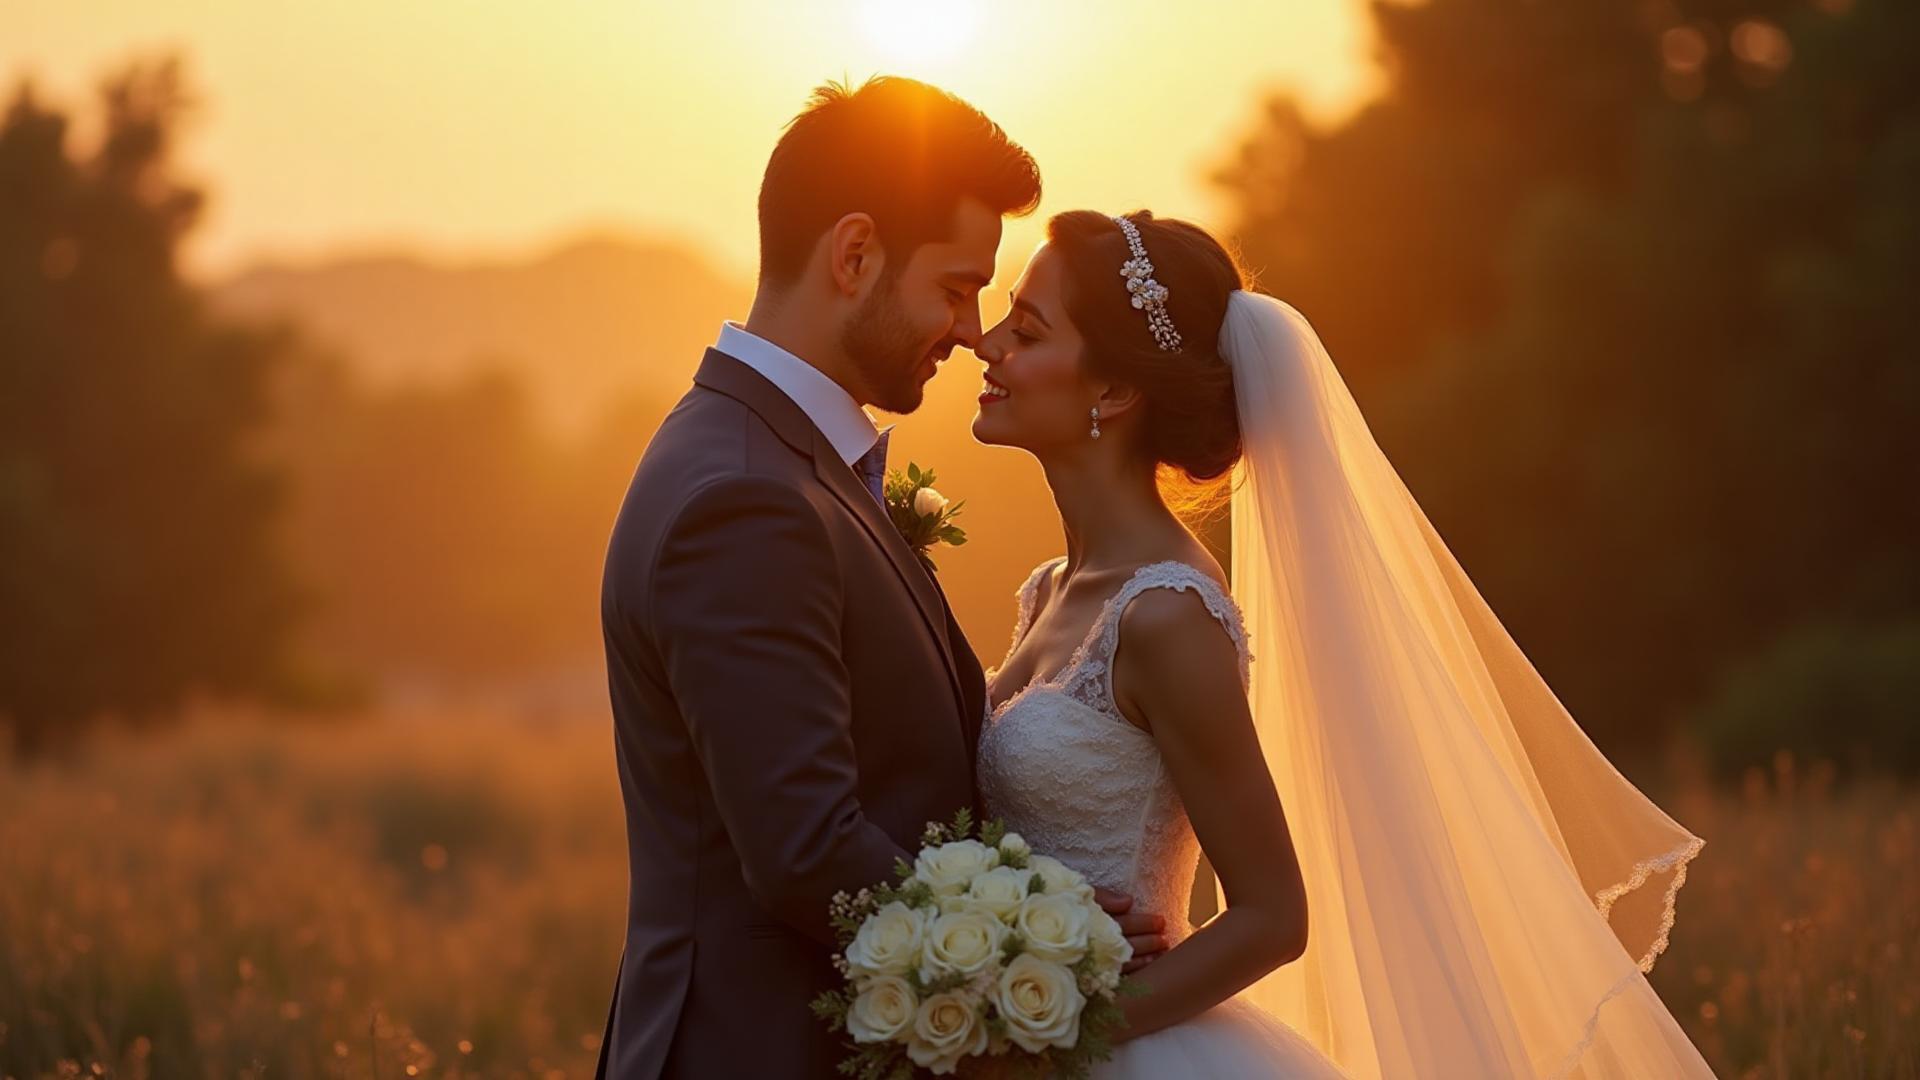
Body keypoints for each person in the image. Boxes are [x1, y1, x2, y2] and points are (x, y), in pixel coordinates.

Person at [971, 209, 1715, 1077]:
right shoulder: (1051, 589)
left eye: (1025, 329)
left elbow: (1273, 917)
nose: (985, 345)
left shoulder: (1165, 615)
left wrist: (1057, 1033)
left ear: (1113, 391)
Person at [593, 79, 1168, 1079]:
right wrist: (1057, 954)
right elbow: (808, 850)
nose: (970, 329)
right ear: (855, 255)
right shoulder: (745, 499)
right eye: (954, 287)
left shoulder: (777, 464)